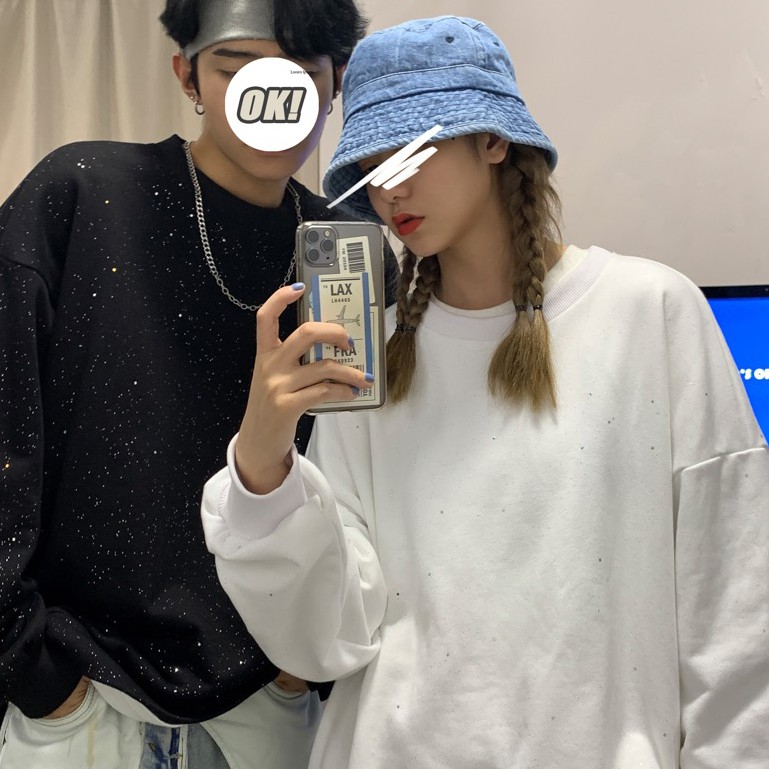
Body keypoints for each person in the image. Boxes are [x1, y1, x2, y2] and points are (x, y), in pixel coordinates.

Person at [201, 14, 769, 769]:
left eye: (411, 151)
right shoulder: (372, 360)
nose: (389, 188)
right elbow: (326, 638)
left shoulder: (650, 313)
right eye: (370, 165)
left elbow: (733, 616)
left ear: (494, 141)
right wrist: (263, 464)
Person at [0, 0, 383, 767]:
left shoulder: (349, 253)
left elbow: (369, 481)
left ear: (334, 82)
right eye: (237, 70)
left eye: (300, 75)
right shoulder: (80, 194)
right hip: (83, 702)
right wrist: (31, 667)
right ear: (187, 75)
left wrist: (301, 670)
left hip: (273, 707)